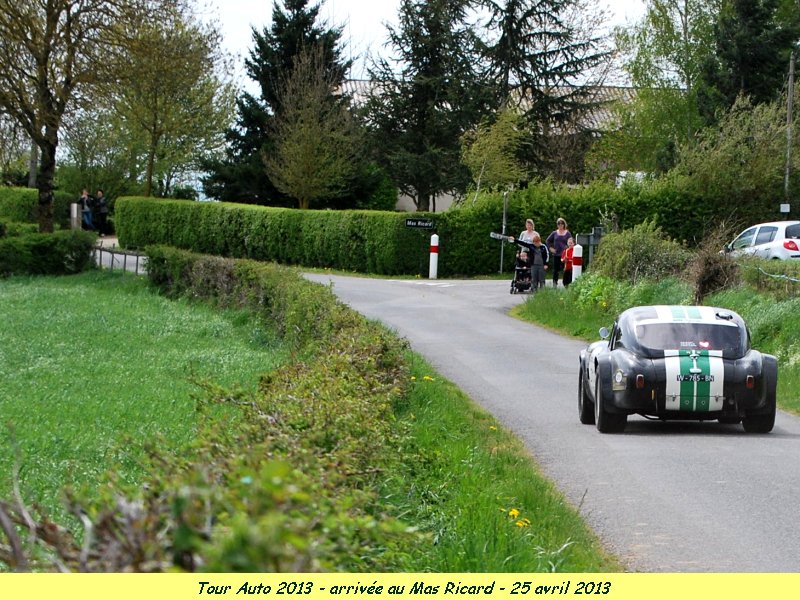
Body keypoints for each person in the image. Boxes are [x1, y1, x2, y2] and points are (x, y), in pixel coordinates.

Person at [545, 218, 573, 287]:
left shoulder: (567, 233)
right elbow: (547, 241)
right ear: (557, 225)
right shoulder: (554, 233)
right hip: (556, 254)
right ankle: (555, 284)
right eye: (559, 224)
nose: (560, 225)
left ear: (564, 224)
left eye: (562, 223)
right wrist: (550, 248)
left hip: (565, 255)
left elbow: (571, 241)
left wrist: (569, 248)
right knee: (555, 270)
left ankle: (567, 283)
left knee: (567, 269)